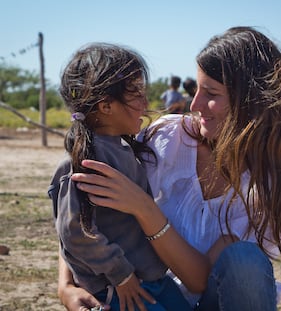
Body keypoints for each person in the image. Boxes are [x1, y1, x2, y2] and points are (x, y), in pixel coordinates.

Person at [60, 26, 281, 311]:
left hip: (215, 301)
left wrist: (145, 209)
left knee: (244, 259)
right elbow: (83, 205)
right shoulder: (165, 139)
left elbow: (203, 282)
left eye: (211, 92)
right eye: (196, 89)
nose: (194, 104)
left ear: (252, 102)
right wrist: (66, 285)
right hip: (149, 296)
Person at [48, 43, 191, 311]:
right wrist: (121, 274)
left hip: (152, 279)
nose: (145, 103)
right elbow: (74, 231)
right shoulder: (85, 162)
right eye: (136, 93)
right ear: (106, 106)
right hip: (123, 289)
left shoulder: (123, 147)